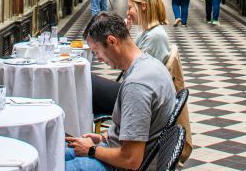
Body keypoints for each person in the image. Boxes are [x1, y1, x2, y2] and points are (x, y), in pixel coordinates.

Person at [66, 12, 175, 171]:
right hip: (113, 149)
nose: (98, 59)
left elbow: (131, 159)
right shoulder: (151, 64)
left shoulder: (137, 85)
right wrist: (103, 137)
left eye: (96, 52)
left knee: (53, 163)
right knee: (53, 154)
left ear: (111, 41)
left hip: (117, 166)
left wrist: (91, 149)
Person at [91, 0, 172, 115]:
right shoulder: (147, 32)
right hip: (134, 89)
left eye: (130, 8)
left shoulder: (155, 36)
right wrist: (123, 34)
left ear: (143, 7)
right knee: (88, 83)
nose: (127, 13)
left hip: (138, 95)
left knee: (89, 83)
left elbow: (138, 70)